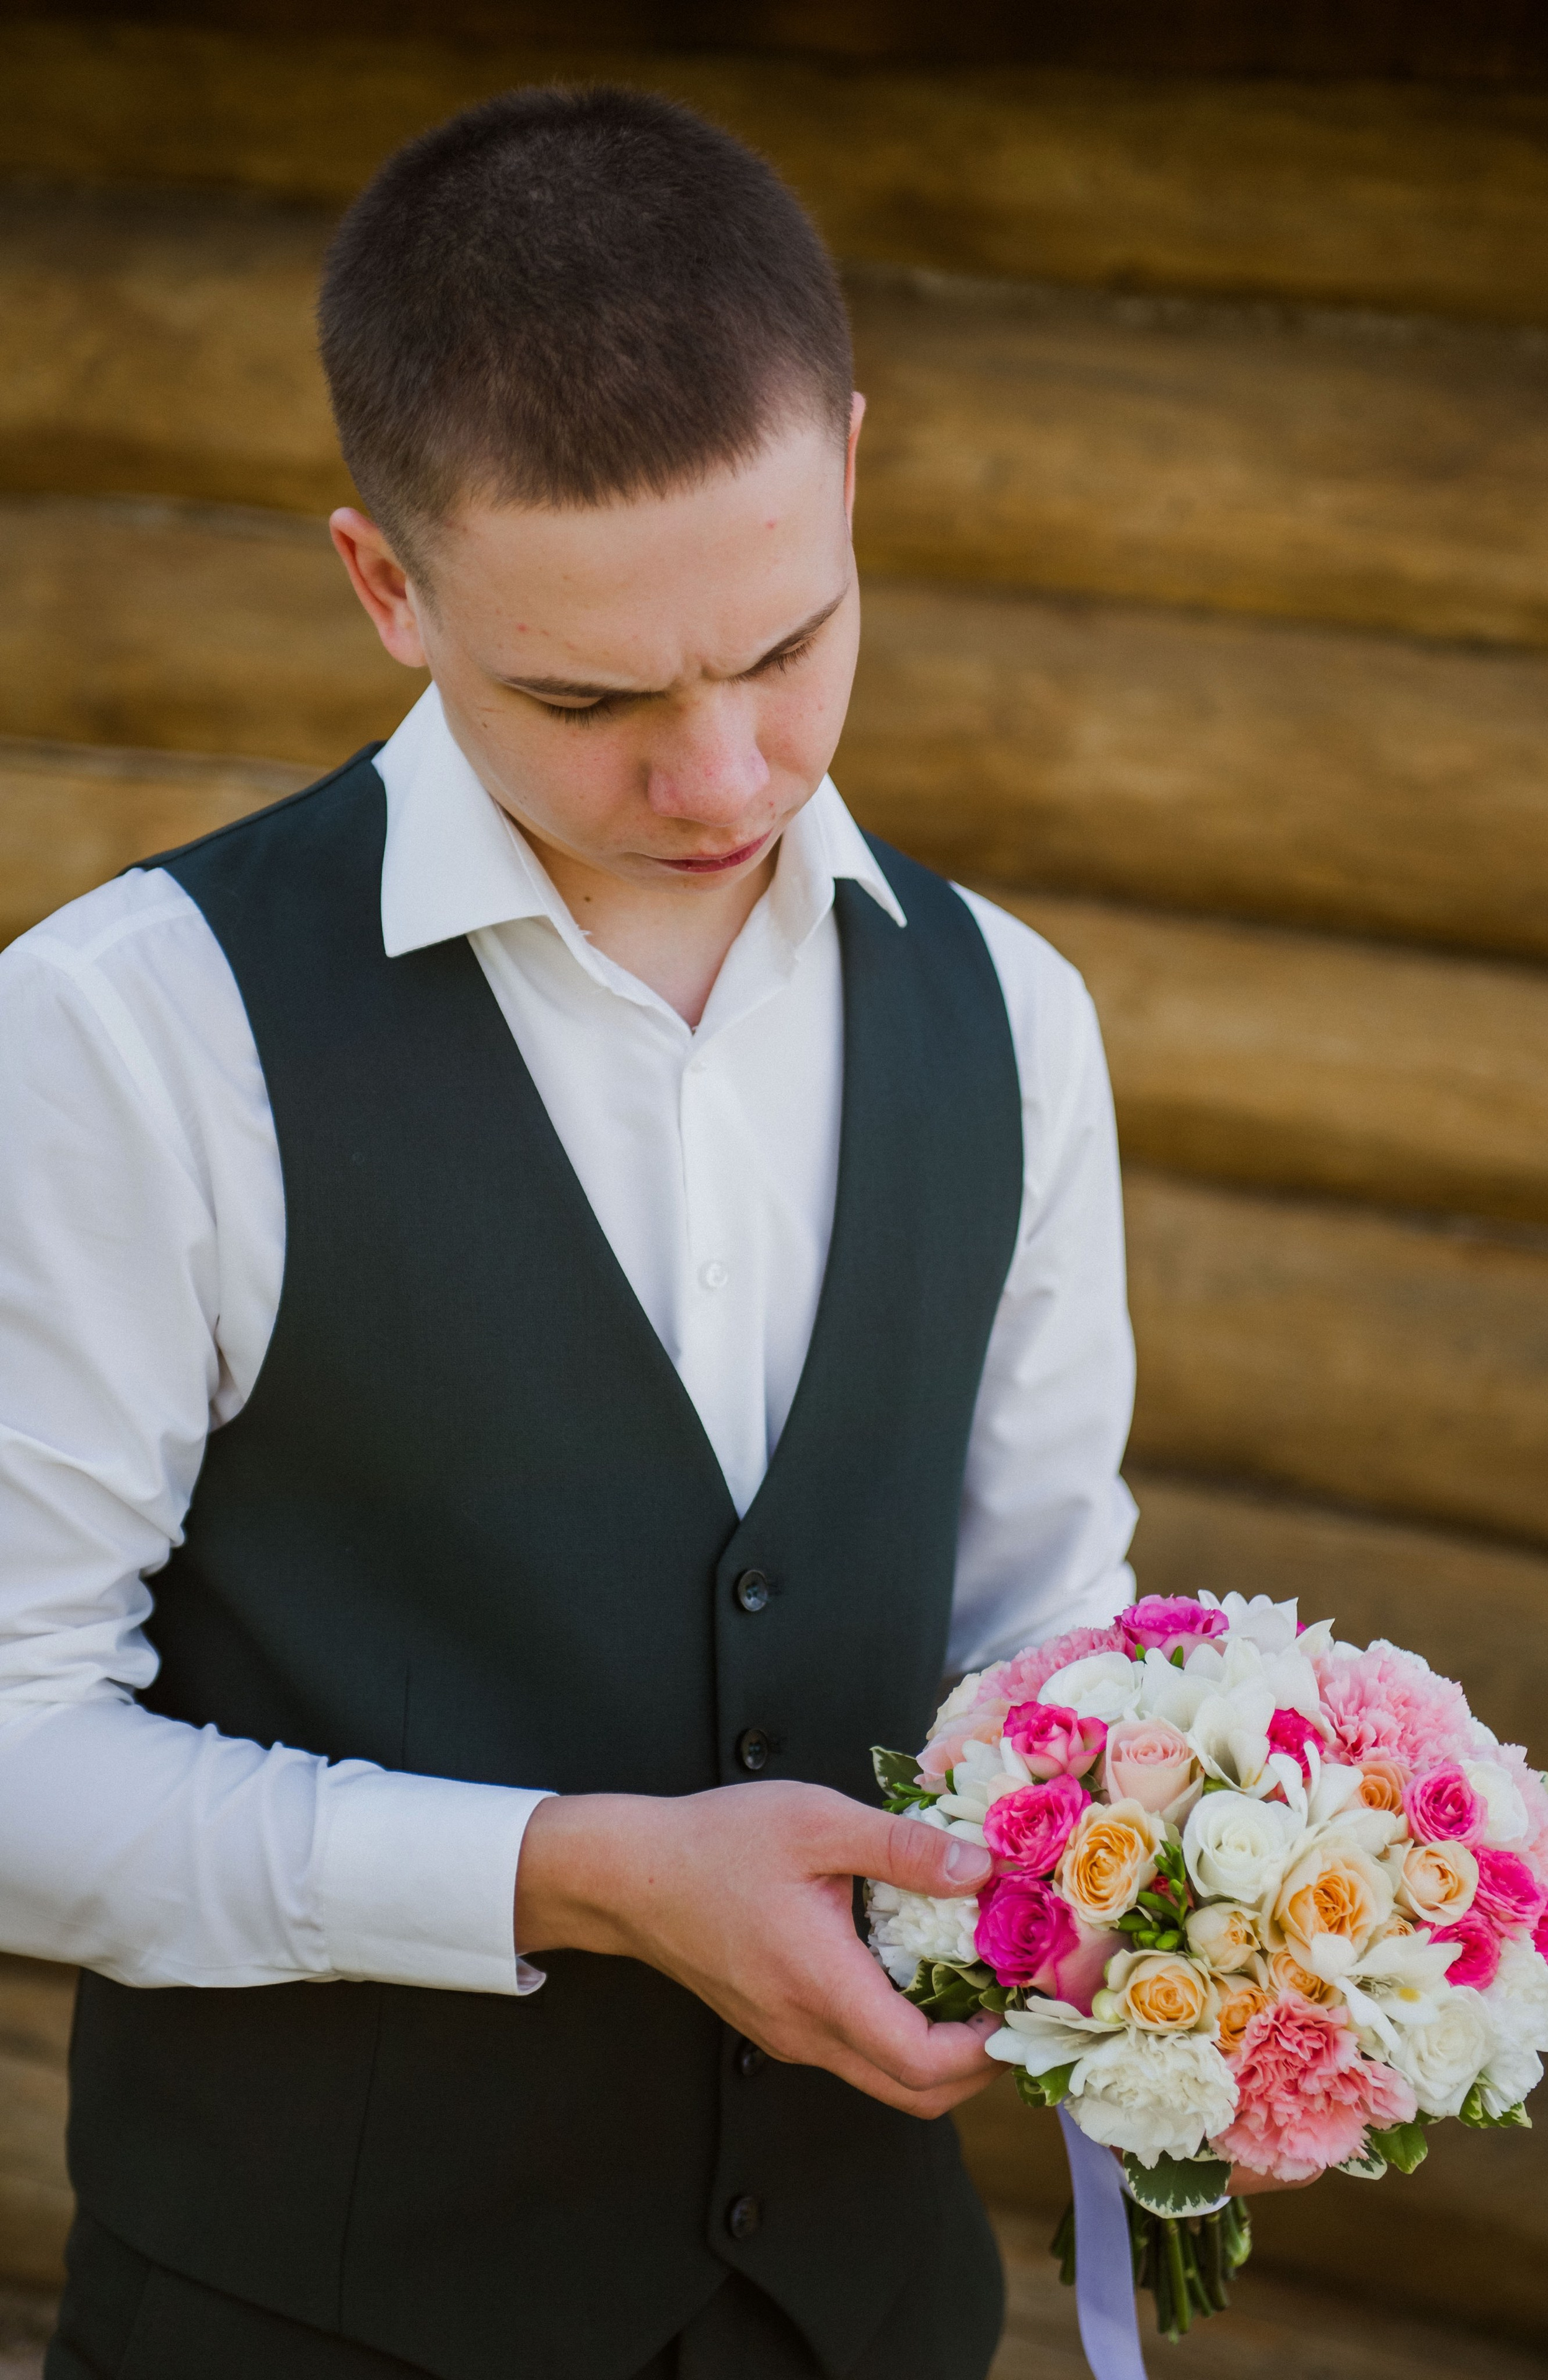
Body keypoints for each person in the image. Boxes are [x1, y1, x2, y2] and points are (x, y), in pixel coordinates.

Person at [0, 87, 1142, 2380]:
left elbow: (1048, 1634)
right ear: (385, 585)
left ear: (850, 470)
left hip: (872, 2323)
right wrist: (568, 1876)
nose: (720, 777)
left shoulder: (1014, 1013)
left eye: (789, 645)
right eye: (589, 696)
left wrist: (1210, 1917)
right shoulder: (127, 1034)